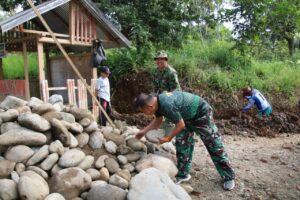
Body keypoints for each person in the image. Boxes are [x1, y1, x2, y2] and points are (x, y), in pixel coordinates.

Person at [133, 91, 235, 190]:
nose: (144, 113)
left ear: (149, 106)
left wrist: (168, 138)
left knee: (213, 144)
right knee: (182, 144)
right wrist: (142, 132)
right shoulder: (157, 104)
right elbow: (158, 121)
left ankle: (228, 177)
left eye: (143, 111)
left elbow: (180, 125)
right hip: (186, 117)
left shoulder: (166, 104)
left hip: (201, 112)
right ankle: (183, 174)